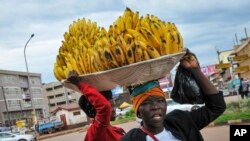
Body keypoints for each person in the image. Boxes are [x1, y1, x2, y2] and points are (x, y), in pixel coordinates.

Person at [120, 52, 226, 141]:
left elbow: (217, 106)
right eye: (147, 103)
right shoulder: (130, 139)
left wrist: (195, 70)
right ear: (138, 111)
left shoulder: (181, 121)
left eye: (160, 101)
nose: (155, 106)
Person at [67, 71, 125, 141]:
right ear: (95, 109)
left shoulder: (115, 129)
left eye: (113, 106)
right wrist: (79, 84)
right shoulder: (95, 132)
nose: (114, 109)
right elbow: (105, 107)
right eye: (111, 106)